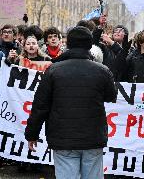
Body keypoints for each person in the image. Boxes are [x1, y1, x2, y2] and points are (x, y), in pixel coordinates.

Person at [25, 26, 117, 179]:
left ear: (68, 43)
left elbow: (40, 106)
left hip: (63, 138)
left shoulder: (53, 70)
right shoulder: (102, 70)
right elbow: (110, 96)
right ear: (89, 45)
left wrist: (32, 134)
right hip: (92, 138)